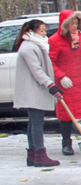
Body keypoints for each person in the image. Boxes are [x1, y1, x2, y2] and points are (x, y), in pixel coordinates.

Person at [48, 11, 81, 155]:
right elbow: (50, 62)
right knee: (66, 113)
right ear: (64, 24)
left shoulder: (78, 36)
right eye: (71, 23)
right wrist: (61, 77)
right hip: (66, 82)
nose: (74, 26)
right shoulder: (54, 40)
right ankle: (66, 143)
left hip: (80, 79)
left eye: (76, 23)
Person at [14, 20, 63, 167]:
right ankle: (40, 155)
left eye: (44, 30)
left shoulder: (35, 45)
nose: (44, 33)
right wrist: (50, 84)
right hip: (32, 90)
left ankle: (33, 155)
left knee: (33, 122)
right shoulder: (28, 48)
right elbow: (37, 70)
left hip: (35, 89)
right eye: (41, 30)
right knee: (37, 123)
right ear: (31, 32)